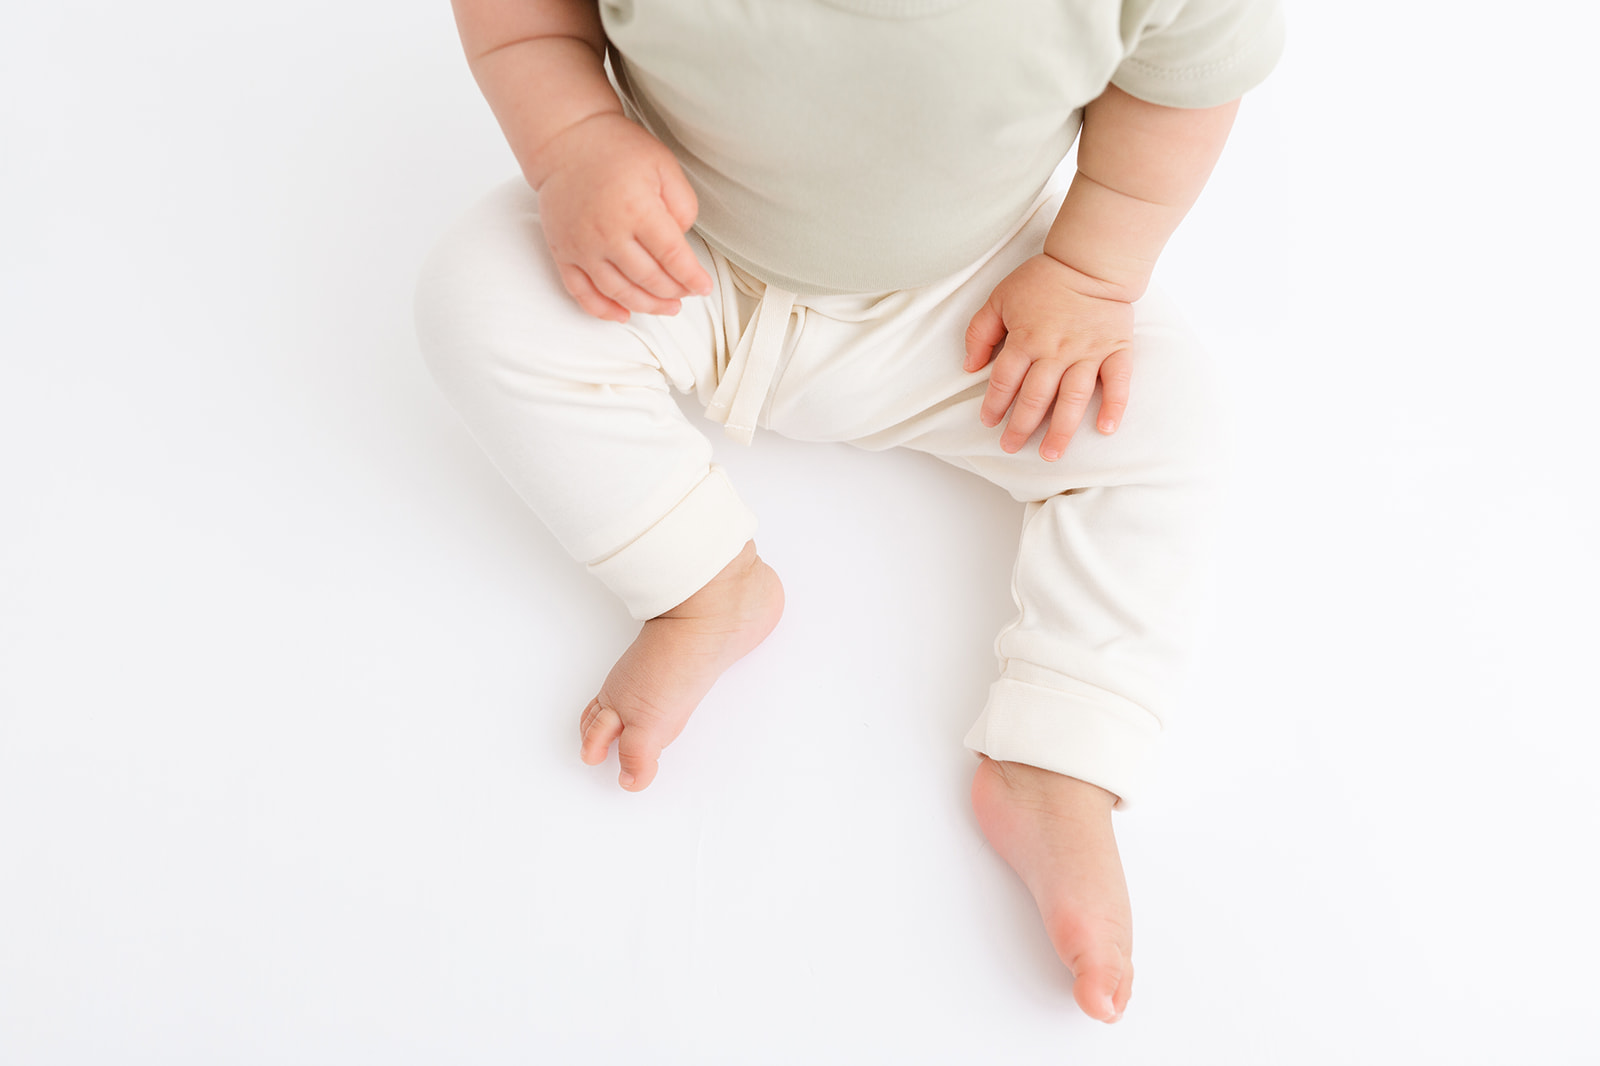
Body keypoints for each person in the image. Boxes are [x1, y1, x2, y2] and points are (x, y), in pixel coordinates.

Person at [414, 0, 1284, 1024]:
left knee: (1166, 423)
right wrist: (571, 144)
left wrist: (1092, 274)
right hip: (674, 253)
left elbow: (1181, 82)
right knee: (476, 294)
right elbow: (519, 19)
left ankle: (1059, 755)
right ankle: (704, 583)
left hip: (971, 306)